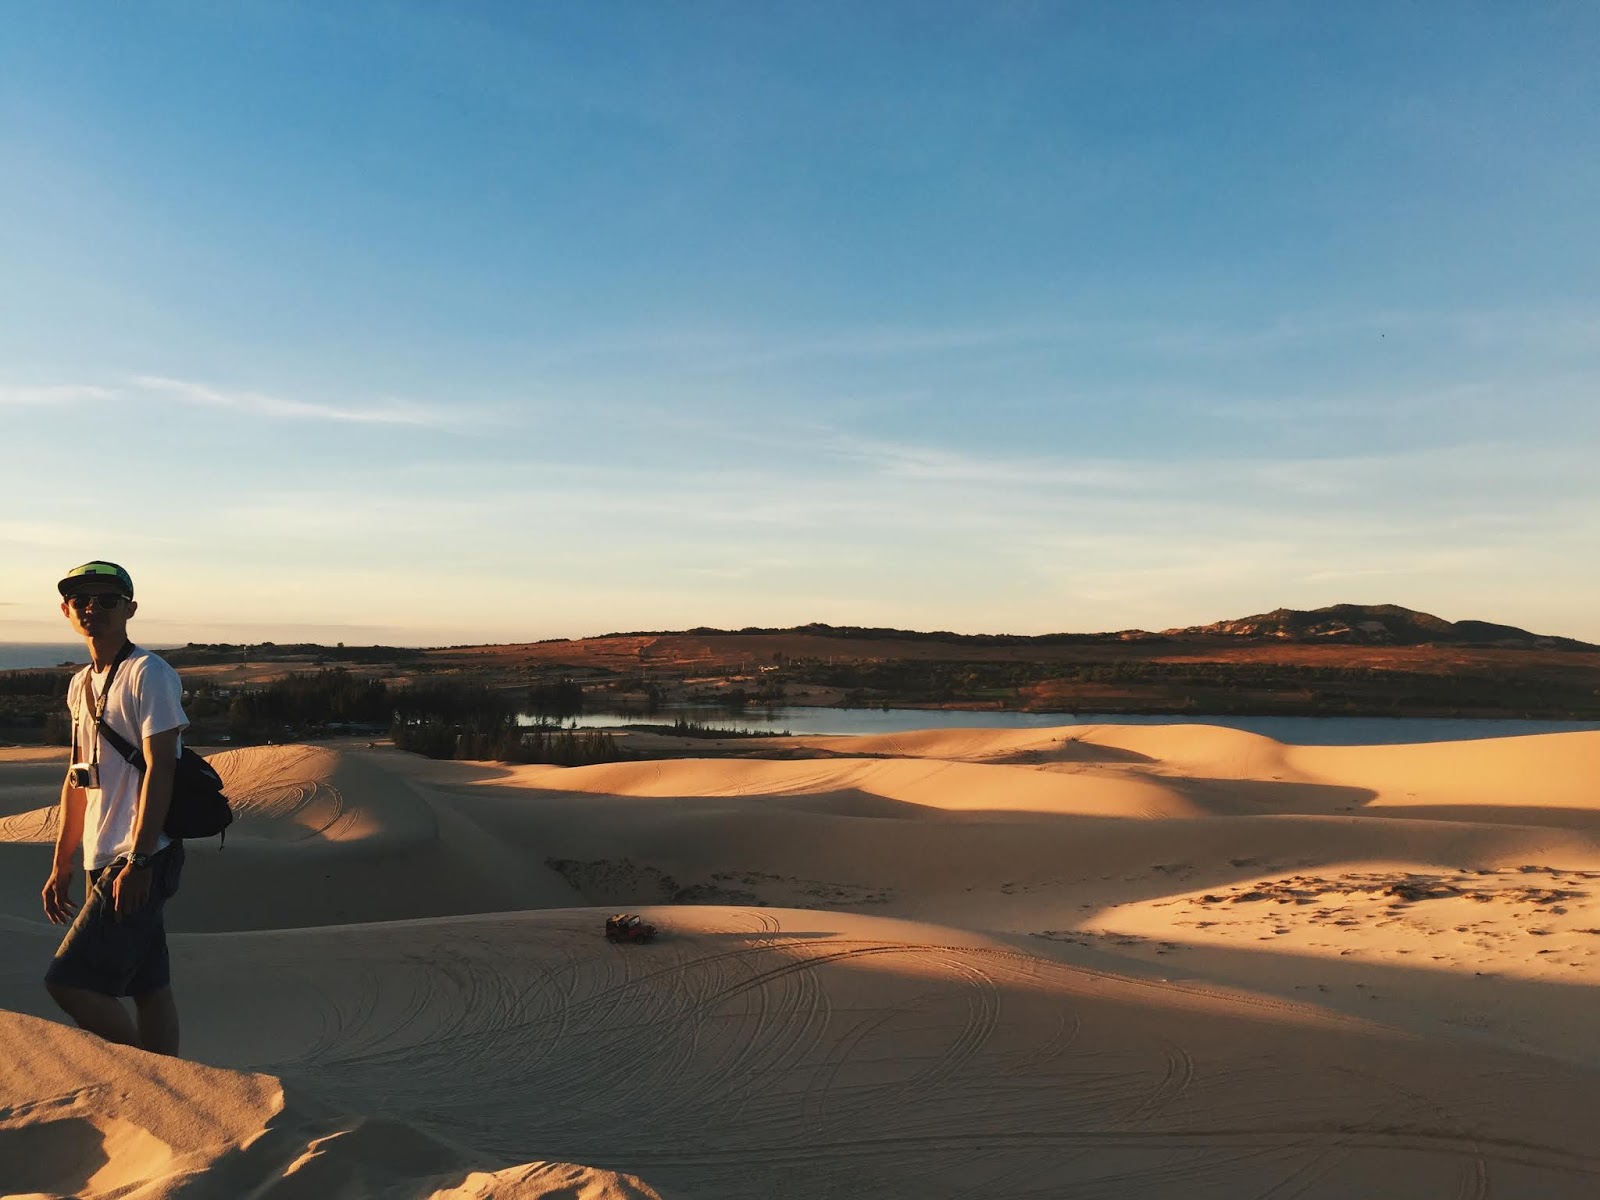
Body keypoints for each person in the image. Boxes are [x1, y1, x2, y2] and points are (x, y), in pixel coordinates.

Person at [41, 560, 189, 1056]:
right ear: (65, 610)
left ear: (130, 608)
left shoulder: (149, 674)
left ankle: (159, 1083)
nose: (92, 608)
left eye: (106, 599)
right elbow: (77, 778)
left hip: (139, 854)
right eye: (81, 600)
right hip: (102, 854)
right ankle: (183, 1097)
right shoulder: (80, 683)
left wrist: (140, 860)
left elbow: (162, 768)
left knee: (68, 982)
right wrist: (62, 861)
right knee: (150, 988)